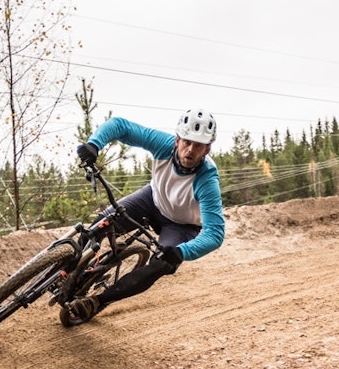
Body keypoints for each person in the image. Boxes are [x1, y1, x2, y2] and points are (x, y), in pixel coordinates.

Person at [65, 108, 225, 324]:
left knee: (160, 265)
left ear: (207, 149)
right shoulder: (163, 145)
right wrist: (94, 144)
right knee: (99, 224)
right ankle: (69, 271)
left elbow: (215, 233)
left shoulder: (207, 180)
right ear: (177, 140)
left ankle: (96, 301)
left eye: (198, 145)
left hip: (181, 225)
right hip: (151, 200)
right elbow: (120, 126)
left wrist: (181, 252)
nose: (190, 150)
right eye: (187, 142)